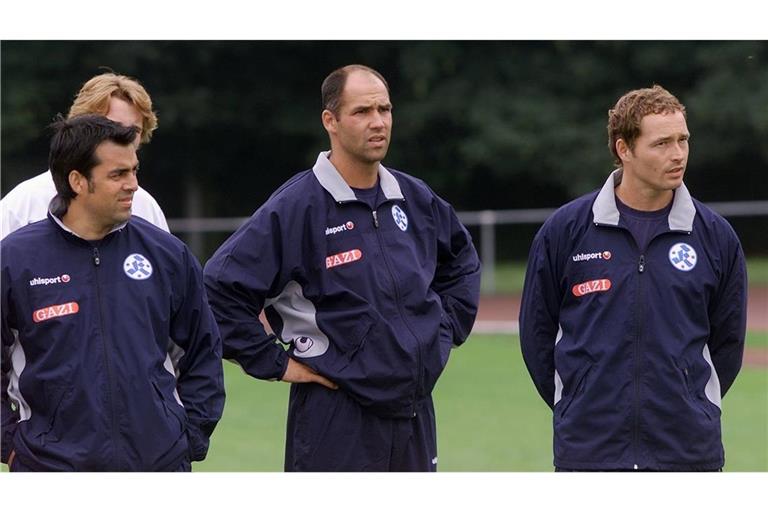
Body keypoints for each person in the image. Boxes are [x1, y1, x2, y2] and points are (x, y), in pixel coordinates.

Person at [204, 64, 481, 472]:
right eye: (362, 112)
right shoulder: (297, 207)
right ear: (329, 121)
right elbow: (217, 291)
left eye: (384, 110)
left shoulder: (413, 197)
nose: (378, 122)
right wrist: (276, 363)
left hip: (414, 412)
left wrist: (441, 333)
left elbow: (462, 260)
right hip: (335, 414)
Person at [519, 85, 747, 471]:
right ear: (624, 149)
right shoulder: (566, 231)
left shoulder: (715, 237)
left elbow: (728, 343)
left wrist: (690, 400)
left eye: (683, 140)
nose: (677, 154)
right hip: (590, 452)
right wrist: (579, 398)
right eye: (661, 143)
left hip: (687, 453)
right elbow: (536, 337)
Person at [1, 115, 225, 471]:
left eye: (134, 171)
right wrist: (12, 444)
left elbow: (203, 350)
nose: (133, 185)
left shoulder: (167, 254)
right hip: (51, 470)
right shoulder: (15, 259)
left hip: (157, 467)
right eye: (117, 174)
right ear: (77, 181)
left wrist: (188, 437)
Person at [0, 72, 168, 239]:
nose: (124, 138)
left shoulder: (145, 207)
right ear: (80, 126)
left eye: (134, 131)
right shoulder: (23, 204)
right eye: (112, 127)